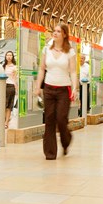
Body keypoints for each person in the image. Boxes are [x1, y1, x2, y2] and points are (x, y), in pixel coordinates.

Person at [35, 24, 77, 159]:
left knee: (61, 118)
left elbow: (73, 71)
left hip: (64, 89)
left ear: (64, 34)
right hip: (48, 88)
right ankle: (50, 152)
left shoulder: (70, 52)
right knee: (49, 119)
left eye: (59, 31)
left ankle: (66, 140)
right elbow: (42, 69)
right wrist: (37, 86)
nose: (55, 33)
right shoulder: (46, 49)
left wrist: (75, 87)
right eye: (54, 31)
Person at [2, 50, 17, 129]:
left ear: (12, 57)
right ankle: (4, 120)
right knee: (3, 105)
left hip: (11, 87)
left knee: (9, 106)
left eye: (10, 55)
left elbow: (15, 79)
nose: (9, 56)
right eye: (7, 55)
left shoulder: (15, 67)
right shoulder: (3, 66)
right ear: (5, 56)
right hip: (3, 86)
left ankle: (6, 122)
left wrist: (16, 88)